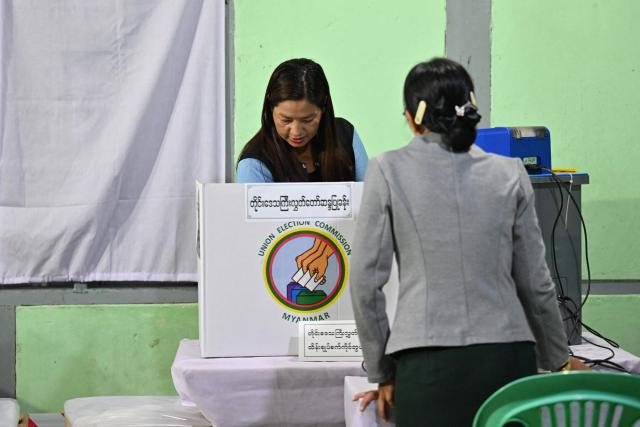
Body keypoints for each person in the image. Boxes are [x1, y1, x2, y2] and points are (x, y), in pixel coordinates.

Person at [349, 57, 588, 427]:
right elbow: (536, 284)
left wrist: (382, 372)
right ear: (470, 108)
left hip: (426, 363)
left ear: (412, 118)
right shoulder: (510, 173)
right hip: (508, 361)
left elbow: (365, 284)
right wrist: (560, 358)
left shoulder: (386, 170)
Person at [236, 58, 368, 183]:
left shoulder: (345, 134)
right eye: (286, 120)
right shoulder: (254, 164)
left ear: (323, 107)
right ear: (271, 109)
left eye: (308, 120)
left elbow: (371, 198)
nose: (296, 131)